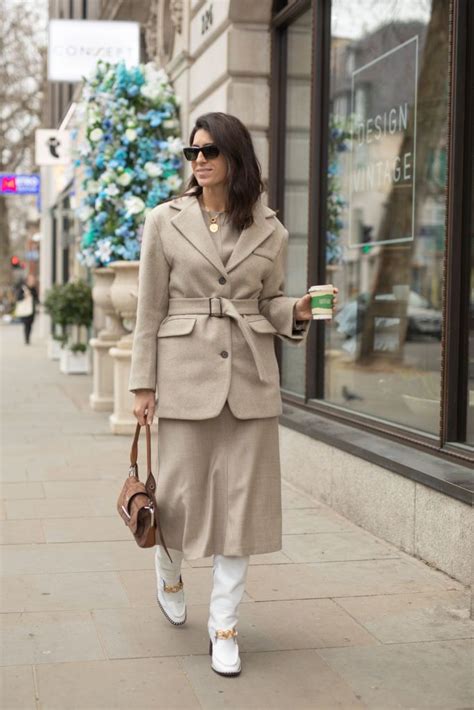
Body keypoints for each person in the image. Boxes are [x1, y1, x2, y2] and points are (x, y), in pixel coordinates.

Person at [129, 112, 338, 677]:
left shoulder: (271, 229)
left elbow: (266, 303)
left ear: (235, 158)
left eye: (211, 150)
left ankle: (225, 625)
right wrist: (142, 384)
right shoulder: (163, 221)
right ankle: (168, 572)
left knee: (242, 506)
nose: (199, 160)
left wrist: (294, 309)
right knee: (174, 498)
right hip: (183, 375)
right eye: (192, 151)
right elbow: (150, 310)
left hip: (249, 378)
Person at [15, 274, 39, 345]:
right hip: (25, 309)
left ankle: (28, 337)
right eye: (31, 280)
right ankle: (26, 339)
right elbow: (18, 298)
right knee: (26, 324)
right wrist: (24, 295)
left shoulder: (33, 289)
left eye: (33, 280)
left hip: (32, 310)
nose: (32, 281)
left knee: (30, 325)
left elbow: (36, 298)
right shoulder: (23, 288)